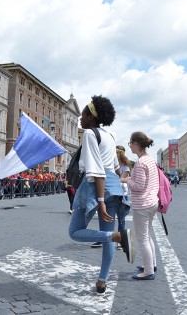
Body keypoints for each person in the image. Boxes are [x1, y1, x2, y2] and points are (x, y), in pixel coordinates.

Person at [68, 96, 134, 295]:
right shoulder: (110, 136)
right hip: (112, 185)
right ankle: (102, 280)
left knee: (75, 231)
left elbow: (96, 169)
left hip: (94, 185)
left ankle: (118, 236)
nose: (80, 118)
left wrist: (101, 200)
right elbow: (114, 167)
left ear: (92, 117)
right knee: (108, 235)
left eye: (84, 114)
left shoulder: (89, 134)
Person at [122, 132, 159, 280]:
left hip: (142, 204)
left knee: (142, 238)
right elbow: (143, 180)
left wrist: (125, 181)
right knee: (147, 235)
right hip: (152, 202)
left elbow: (138, 186)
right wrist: (131, 178)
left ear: (136, 144)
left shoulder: (140, 163)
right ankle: (151, 264)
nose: (129, 145)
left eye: (130, 143)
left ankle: (148, 271)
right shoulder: (149, 160)